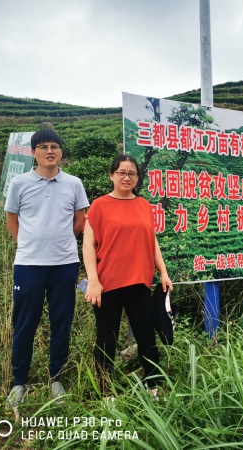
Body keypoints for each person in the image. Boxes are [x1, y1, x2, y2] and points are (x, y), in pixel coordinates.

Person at [4, 129, 90, 407]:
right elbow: (11, 220)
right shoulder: (19, 183)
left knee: (61, 322)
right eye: (43, 147)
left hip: (64, 264)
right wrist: (29, 245)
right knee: (24, 322)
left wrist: (60, 243)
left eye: (54, 146)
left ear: (61, 152)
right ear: (33, 152)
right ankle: (19, 381)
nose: (49, 151)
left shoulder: (74, 183)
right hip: (29, 265)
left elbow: (79, 220)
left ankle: (57, 378)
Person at [82, 155, 173, 400]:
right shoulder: (99, 205)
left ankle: (153, 387)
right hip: (108, 283)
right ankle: (105, 393)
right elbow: (88, 244)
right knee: (106, 339)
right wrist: (93, 280)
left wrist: (163, 272)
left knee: (146, 336)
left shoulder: (144, 205)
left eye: (132, 173)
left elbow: (152, 241)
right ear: (111, 175)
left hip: (139, 282)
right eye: (121, 172)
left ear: (137, 177)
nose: (127, 177)